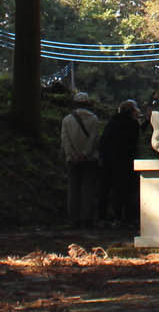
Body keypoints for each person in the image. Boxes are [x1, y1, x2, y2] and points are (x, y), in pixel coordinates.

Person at [98, 99, 144, 227]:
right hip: (126, 162)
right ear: (132, 111)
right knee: (127, 191)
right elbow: (133, 143)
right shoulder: (132, 124)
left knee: (109, 190)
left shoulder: (112, 122)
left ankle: (109, 216)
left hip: (109, 162)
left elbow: (103, 141)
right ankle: (128, 217)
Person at [60, 92, 104, 228]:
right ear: (88, 104)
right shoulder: (94, 119)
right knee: (88, 189)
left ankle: (74, 218)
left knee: (73, 189)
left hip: (72, 159)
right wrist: (85, 154)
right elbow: (94, 139)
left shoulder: (67, 120)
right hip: (90, 159)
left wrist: (71, 154)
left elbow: (65, 140)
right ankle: (87, 218)